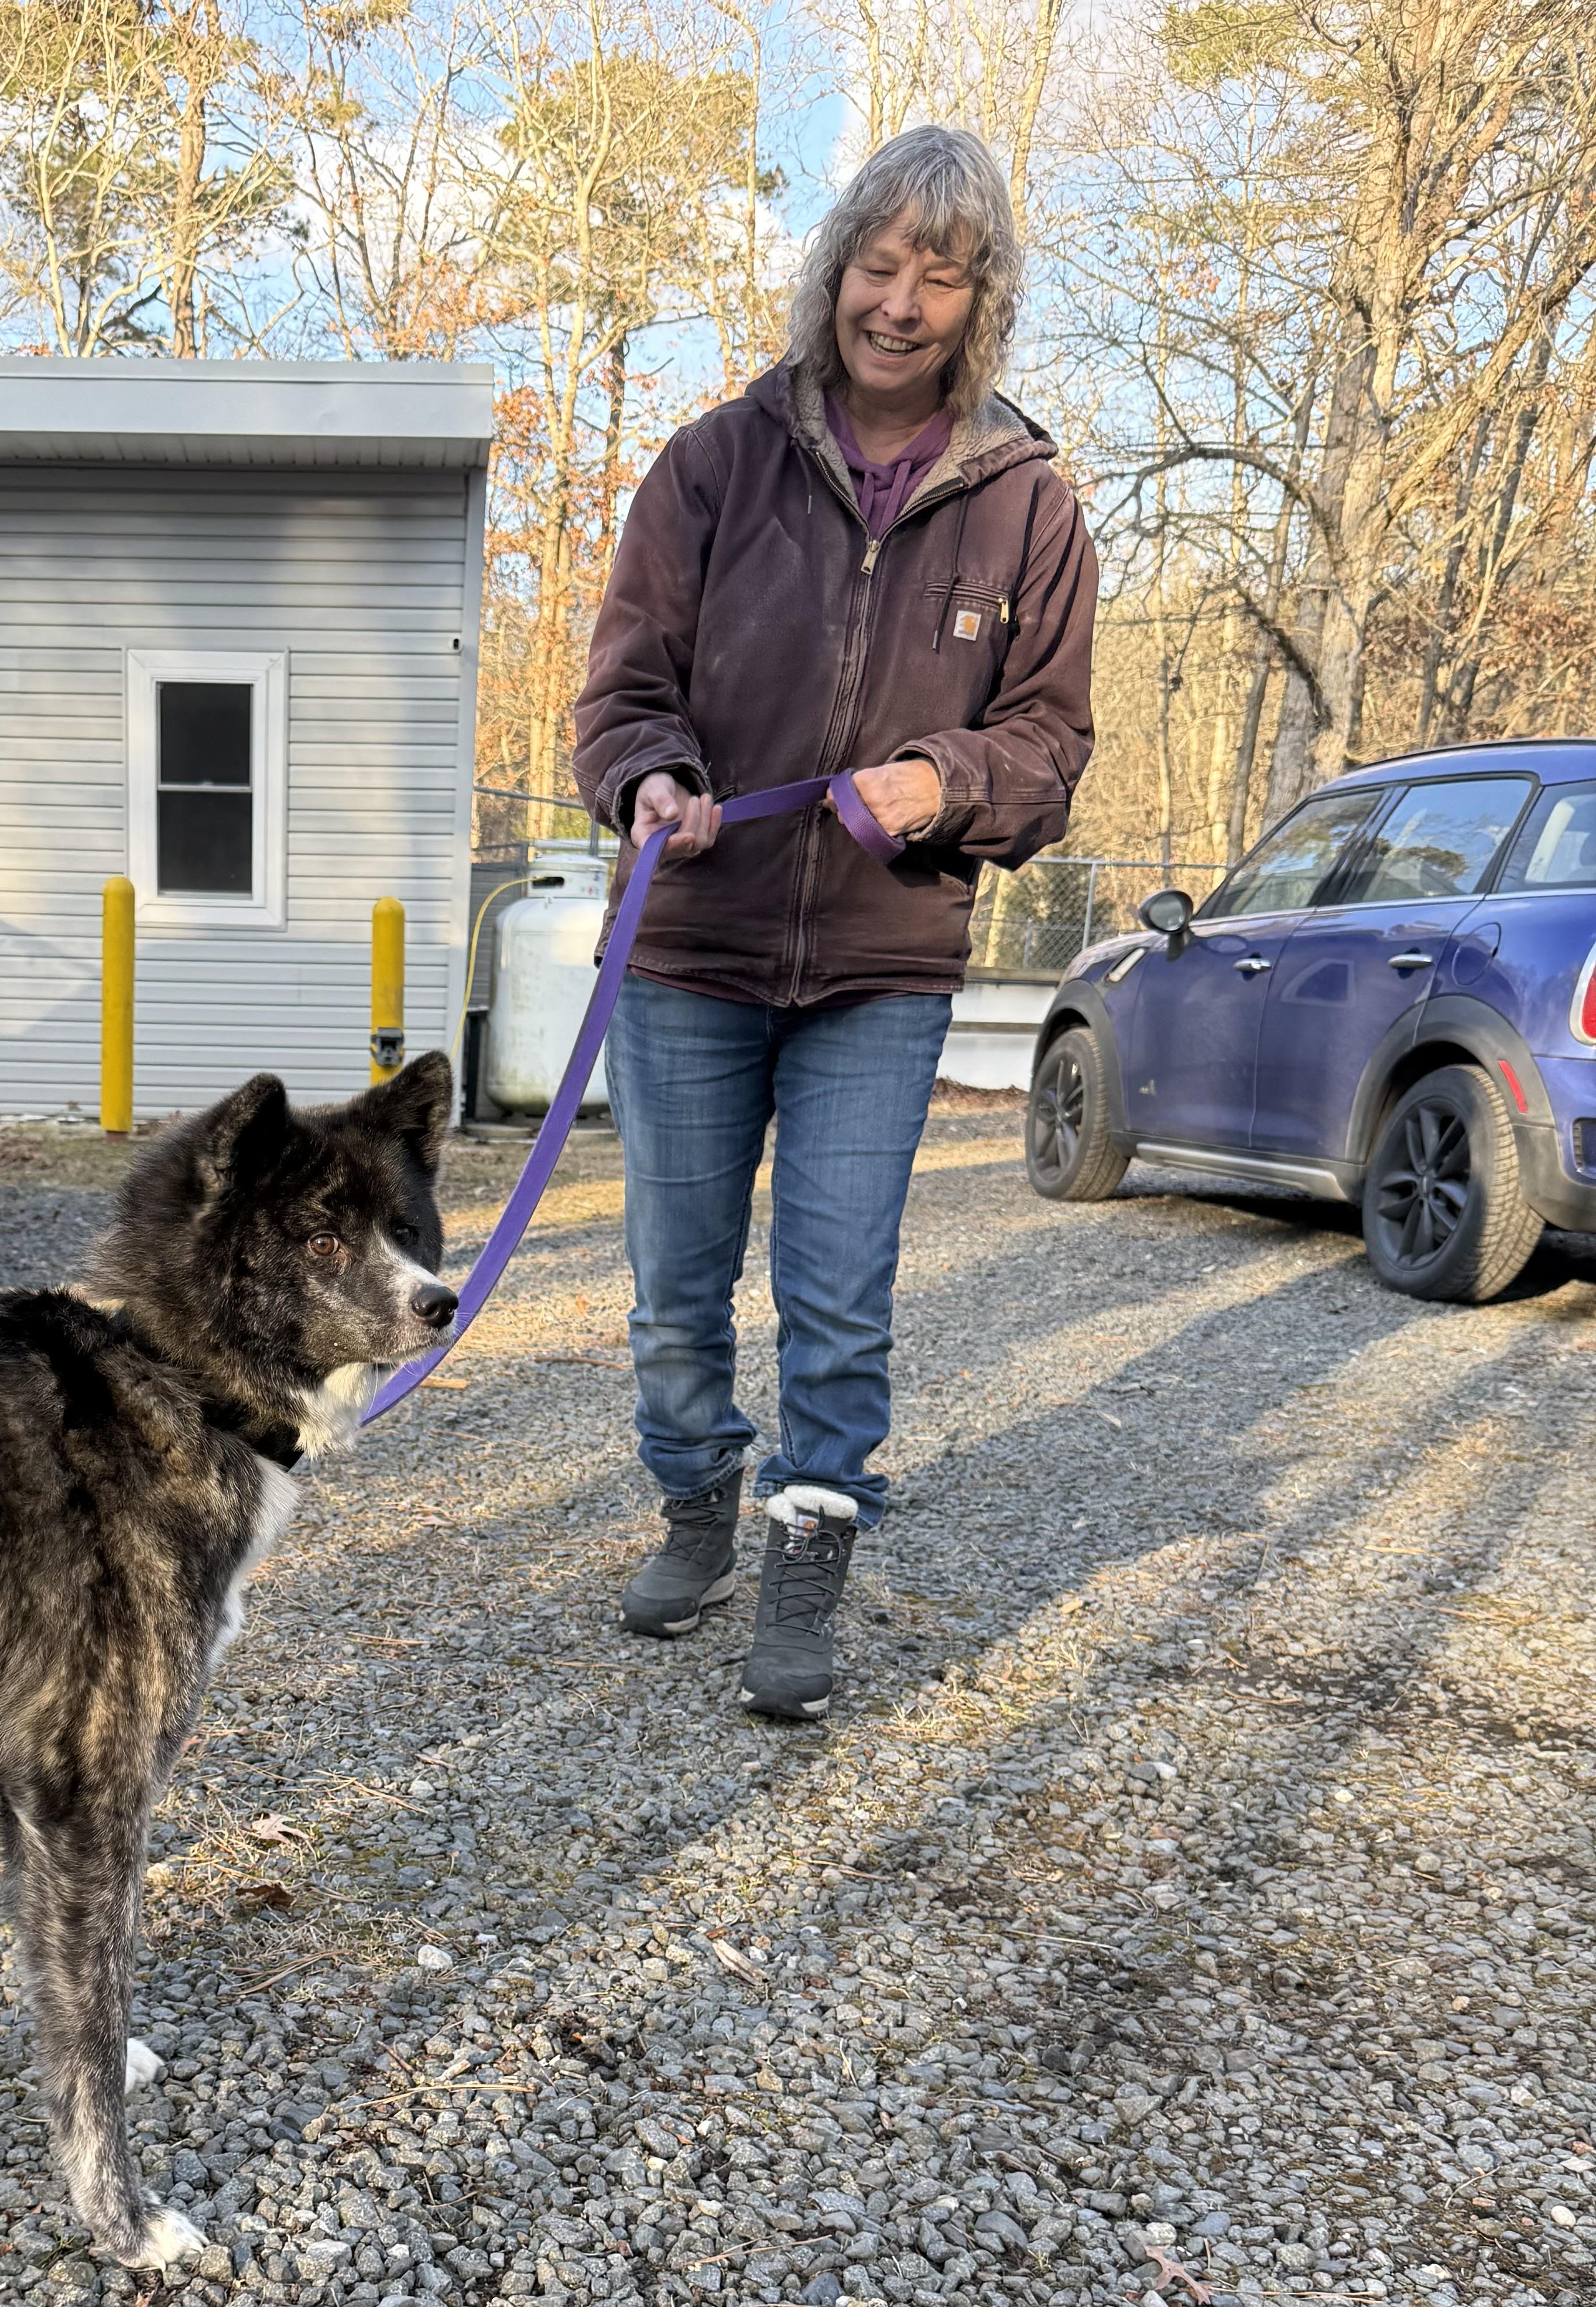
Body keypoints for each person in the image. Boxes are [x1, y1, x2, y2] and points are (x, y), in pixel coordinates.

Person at [571, 125, 1099, 1720]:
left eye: (941, 275)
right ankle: (693, 1502)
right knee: (674, 1277)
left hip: (882, 964)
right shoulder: (712, 463)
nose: (900, 301)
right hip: (693, 947)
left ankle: (810, 1547)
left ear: (980, 297)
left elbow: (1052, 745)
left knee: (838, 1284)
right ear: (835, 271)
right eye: (880, 264)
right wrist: (654, 782)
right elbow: (622, 694)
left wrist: (949, 781)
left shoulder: (1028, 507)